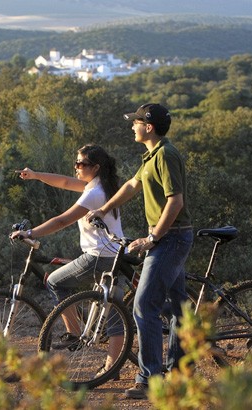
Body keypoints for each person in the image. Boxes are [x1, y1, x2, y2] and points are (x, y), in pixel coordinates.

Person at [86, 103, 193, 399]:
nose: (132, 126)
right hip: (170, 238)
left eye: (135, 122)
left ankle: (149, 381)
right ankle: (180, 374)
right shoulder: (153, 155)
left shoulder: (166, 155)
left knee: (144, 306)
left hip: (170, 239)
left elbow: (175, 202)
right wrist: (105, 208)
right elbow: (133, 185)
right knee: (179, 308)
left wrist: (152, 237)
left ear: (148, 126)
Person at [10, 144, 125, 376]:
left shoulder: (94, 193)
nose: (76, 167)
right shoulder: (101, 185)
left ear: (95, 167)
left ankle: (75, 334)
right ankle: (112, 367)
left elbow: (62, 221)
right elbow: (64, 181)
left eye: (81, 164)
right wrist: (35, 175)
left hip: (99, 257)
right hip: (116, 256)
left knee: (55, 281)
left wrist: (30, 233)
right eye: (76, 162)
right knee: (114, 313)